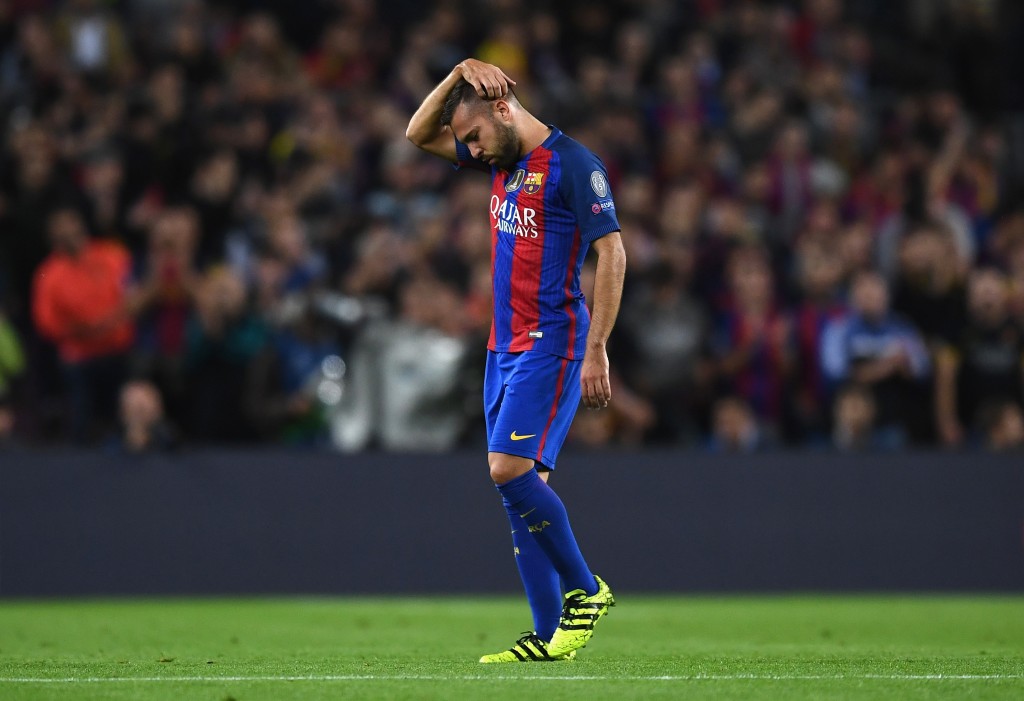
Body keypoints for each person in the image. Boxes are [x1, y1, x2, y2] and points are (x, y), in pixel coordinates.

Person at [406, 59, 625, 662]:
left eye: (475, 136)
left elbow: (612, 254)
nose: (471, 151)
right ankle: (549, 636)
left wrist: (597, 347)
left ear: (504, 110)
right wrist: (457, 74)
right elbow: (417, 134)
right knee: (521, 491)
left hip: (550, 342)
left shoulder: (575, 165)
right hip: (502, 348)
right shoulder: (502, 159)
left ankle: (587, 590)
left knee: (506, 469)